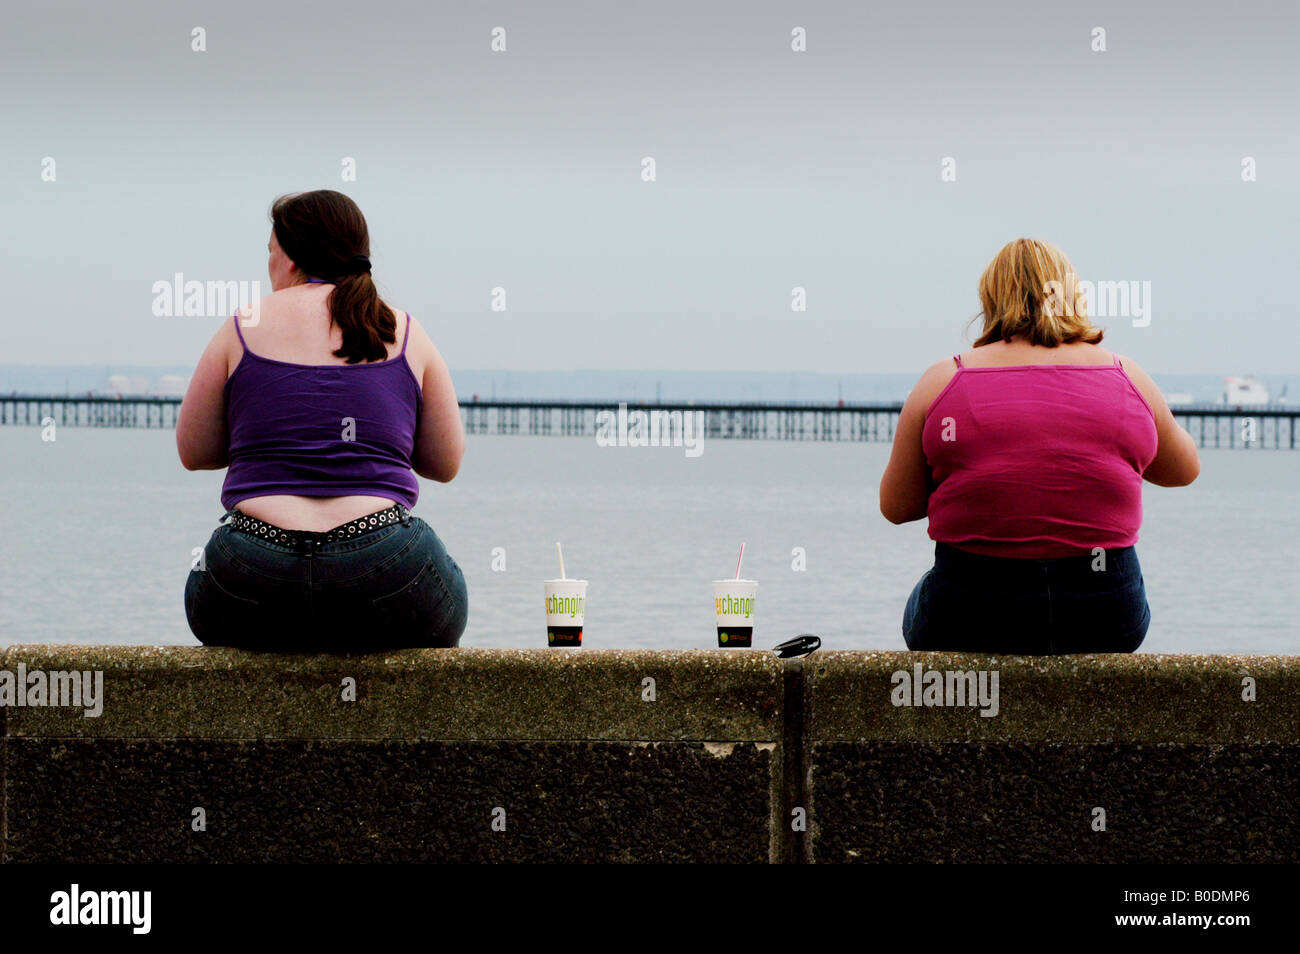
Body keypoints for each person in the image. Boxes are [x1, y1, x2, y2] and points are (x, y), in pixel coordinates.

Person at [178, 190, 467, 650]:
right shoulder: (405, 330)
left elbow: (194, 452)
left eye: (270, 253)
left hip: (252, 576)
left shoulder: (242, 324)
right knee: (447, 582)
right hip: (383, 574)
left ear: (292, 258)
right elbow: (444, 463)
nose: (269, 265)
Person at [879, 239, 1200, 654]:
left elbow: (896, 506)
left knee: (924, 597)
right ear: (1071, 294)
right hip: (1107, 619)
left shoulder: (943, 380)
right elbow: (1183, 470)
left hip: (970, 617)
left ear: (991, 300)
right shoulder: (1127, 376)